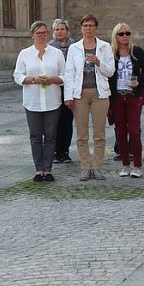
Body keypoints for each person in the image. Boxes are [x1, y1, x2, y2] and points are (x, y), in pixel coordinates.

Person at [63, 14, 115, 181]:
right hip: (80, 94)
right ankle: (86, 167)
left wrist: (98, 62)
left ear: (96, 28)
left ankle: (98, 167)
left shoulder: (105, 47)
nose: (88, 28)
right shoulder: (74, 48)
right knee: (81, 134)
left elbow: (111, 71)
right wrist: (68, 96)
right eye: (85, 25)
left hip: (100, 93)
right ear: (81, 28)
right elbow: (69, 73)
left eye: (91, 25)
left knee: (99, 133)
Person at [14, 21, 66, 182]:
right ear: (32, 35)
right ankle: (38, 169)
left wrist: (52, 79)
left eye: (44, 32)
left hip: (52, 101)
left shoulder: (56, 53)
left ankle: (48, 169)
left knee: (50, 136)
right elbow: (17, 75)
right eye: (38, 33)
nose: (42, 35)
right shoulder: (25, 53)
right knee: (35, 136)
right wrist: (32, 79)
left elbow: (65, 76)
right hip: (32, 101)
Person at [108, 23, 144, 178]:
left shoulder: (137, 51)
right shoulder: (111, 53)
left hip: (133, 95)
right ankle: (125, 165)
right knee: (120, 132)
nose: (125, 36)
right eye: (121, 34)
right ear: (116, 36)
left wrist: (138, 81)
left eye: (127, 33)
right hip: (117, 96)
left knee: (134, 130)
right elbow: (107, 74)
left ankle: (137, 165)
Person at [49, 18, 75, 163]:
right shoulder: (49, 48)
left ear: (67, 31)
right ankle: (55, 151)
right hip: (54, 87)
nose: (60, 32)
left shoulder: (75, 46)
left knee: (67, 120)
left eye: (62, 29)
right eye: (57, 29)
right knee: (55, 121)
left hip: (69, 87)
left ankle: (64, 151)